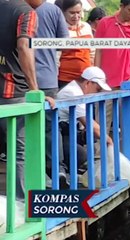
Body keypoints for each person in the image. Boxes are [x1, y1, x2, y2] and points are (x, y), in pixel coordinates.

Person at [0, 0, 55, 200]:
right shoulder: (26, 12)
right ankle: (23, 205)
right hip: (12, 91)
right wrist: (35, 90)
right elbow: (24, 46)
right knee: (20, 150)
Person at [94, 0, 130, 139]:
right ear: (122, 6)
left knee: (128, 122)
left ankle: (128, 157)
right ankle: (99, 155)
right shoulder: (105, 23)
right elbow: (99, 51)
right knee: (101, 121)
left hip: (127, 82)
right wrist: (96, 76)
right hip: (105, 82)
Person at [35, 1, 70, 188]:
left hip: (17, 79)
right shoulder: (53, 10)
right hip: (47, 77)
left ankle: (33, 174)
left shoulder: (11, 8)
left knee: (21, 130)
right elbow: (64, 43)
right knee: (50, 127)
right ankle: (57, 169)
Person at [57, 67, 113, 171]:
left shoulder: (78, 91)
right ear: (88, 83)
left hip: (69, 132)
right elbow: (89, 123)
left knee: (90, 141)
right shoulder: (73, 93)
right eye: (97, 89)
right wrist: (108, 140)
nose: (97, 93)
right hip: (59, 135)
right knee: (83, 158)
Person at [57, 0, 93, 88]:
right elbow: (56, 57)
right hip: (66, 80)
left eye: (78, 12)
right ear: (63, 12)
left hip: (86, 79)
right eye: (72, 13)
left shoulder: (87, 27)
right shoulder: (60, 29)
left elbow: (92, 52)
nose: (76, 16)